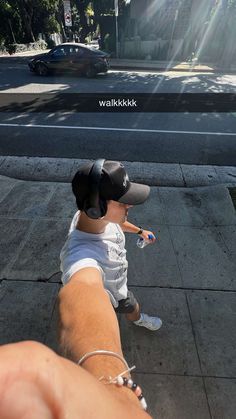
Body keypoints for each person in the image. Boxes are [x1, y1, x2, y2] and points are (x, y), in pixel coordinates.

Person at [60, 159, 162, 332]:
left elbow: (117, 223)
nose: (129, 205)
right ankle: (139, 320)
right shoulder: (81, 257)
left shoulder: (98, 218)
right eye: (122, 202)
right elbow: (81, 284)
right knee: (132, 306)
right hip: (115, 295)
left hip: (119, 280)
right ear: (96, 208)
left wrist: (140, 231)